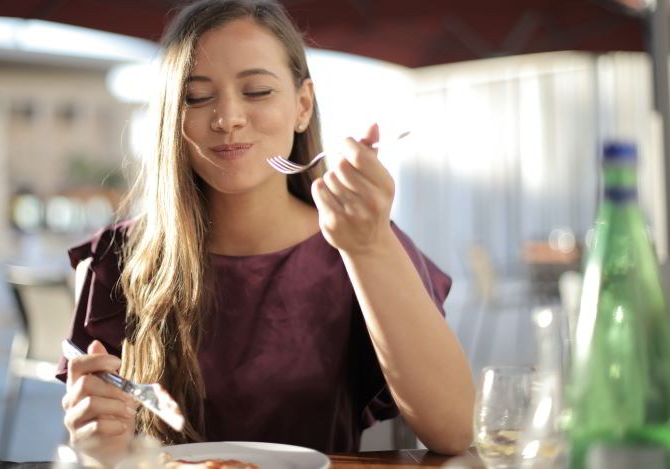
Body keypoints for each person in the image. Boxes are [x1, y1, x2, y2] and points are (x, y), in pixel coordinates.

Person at [58, 0, 474, 462]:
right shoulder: (116, 259)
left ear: (302, 106)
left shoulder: (362, 241)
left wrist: (369, 247)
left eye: (256, 91)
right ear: (171, 120)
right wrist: (95, 443)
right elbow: (107, 450)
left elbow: (454, 432)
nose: (228, 117)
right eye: (196, 97)